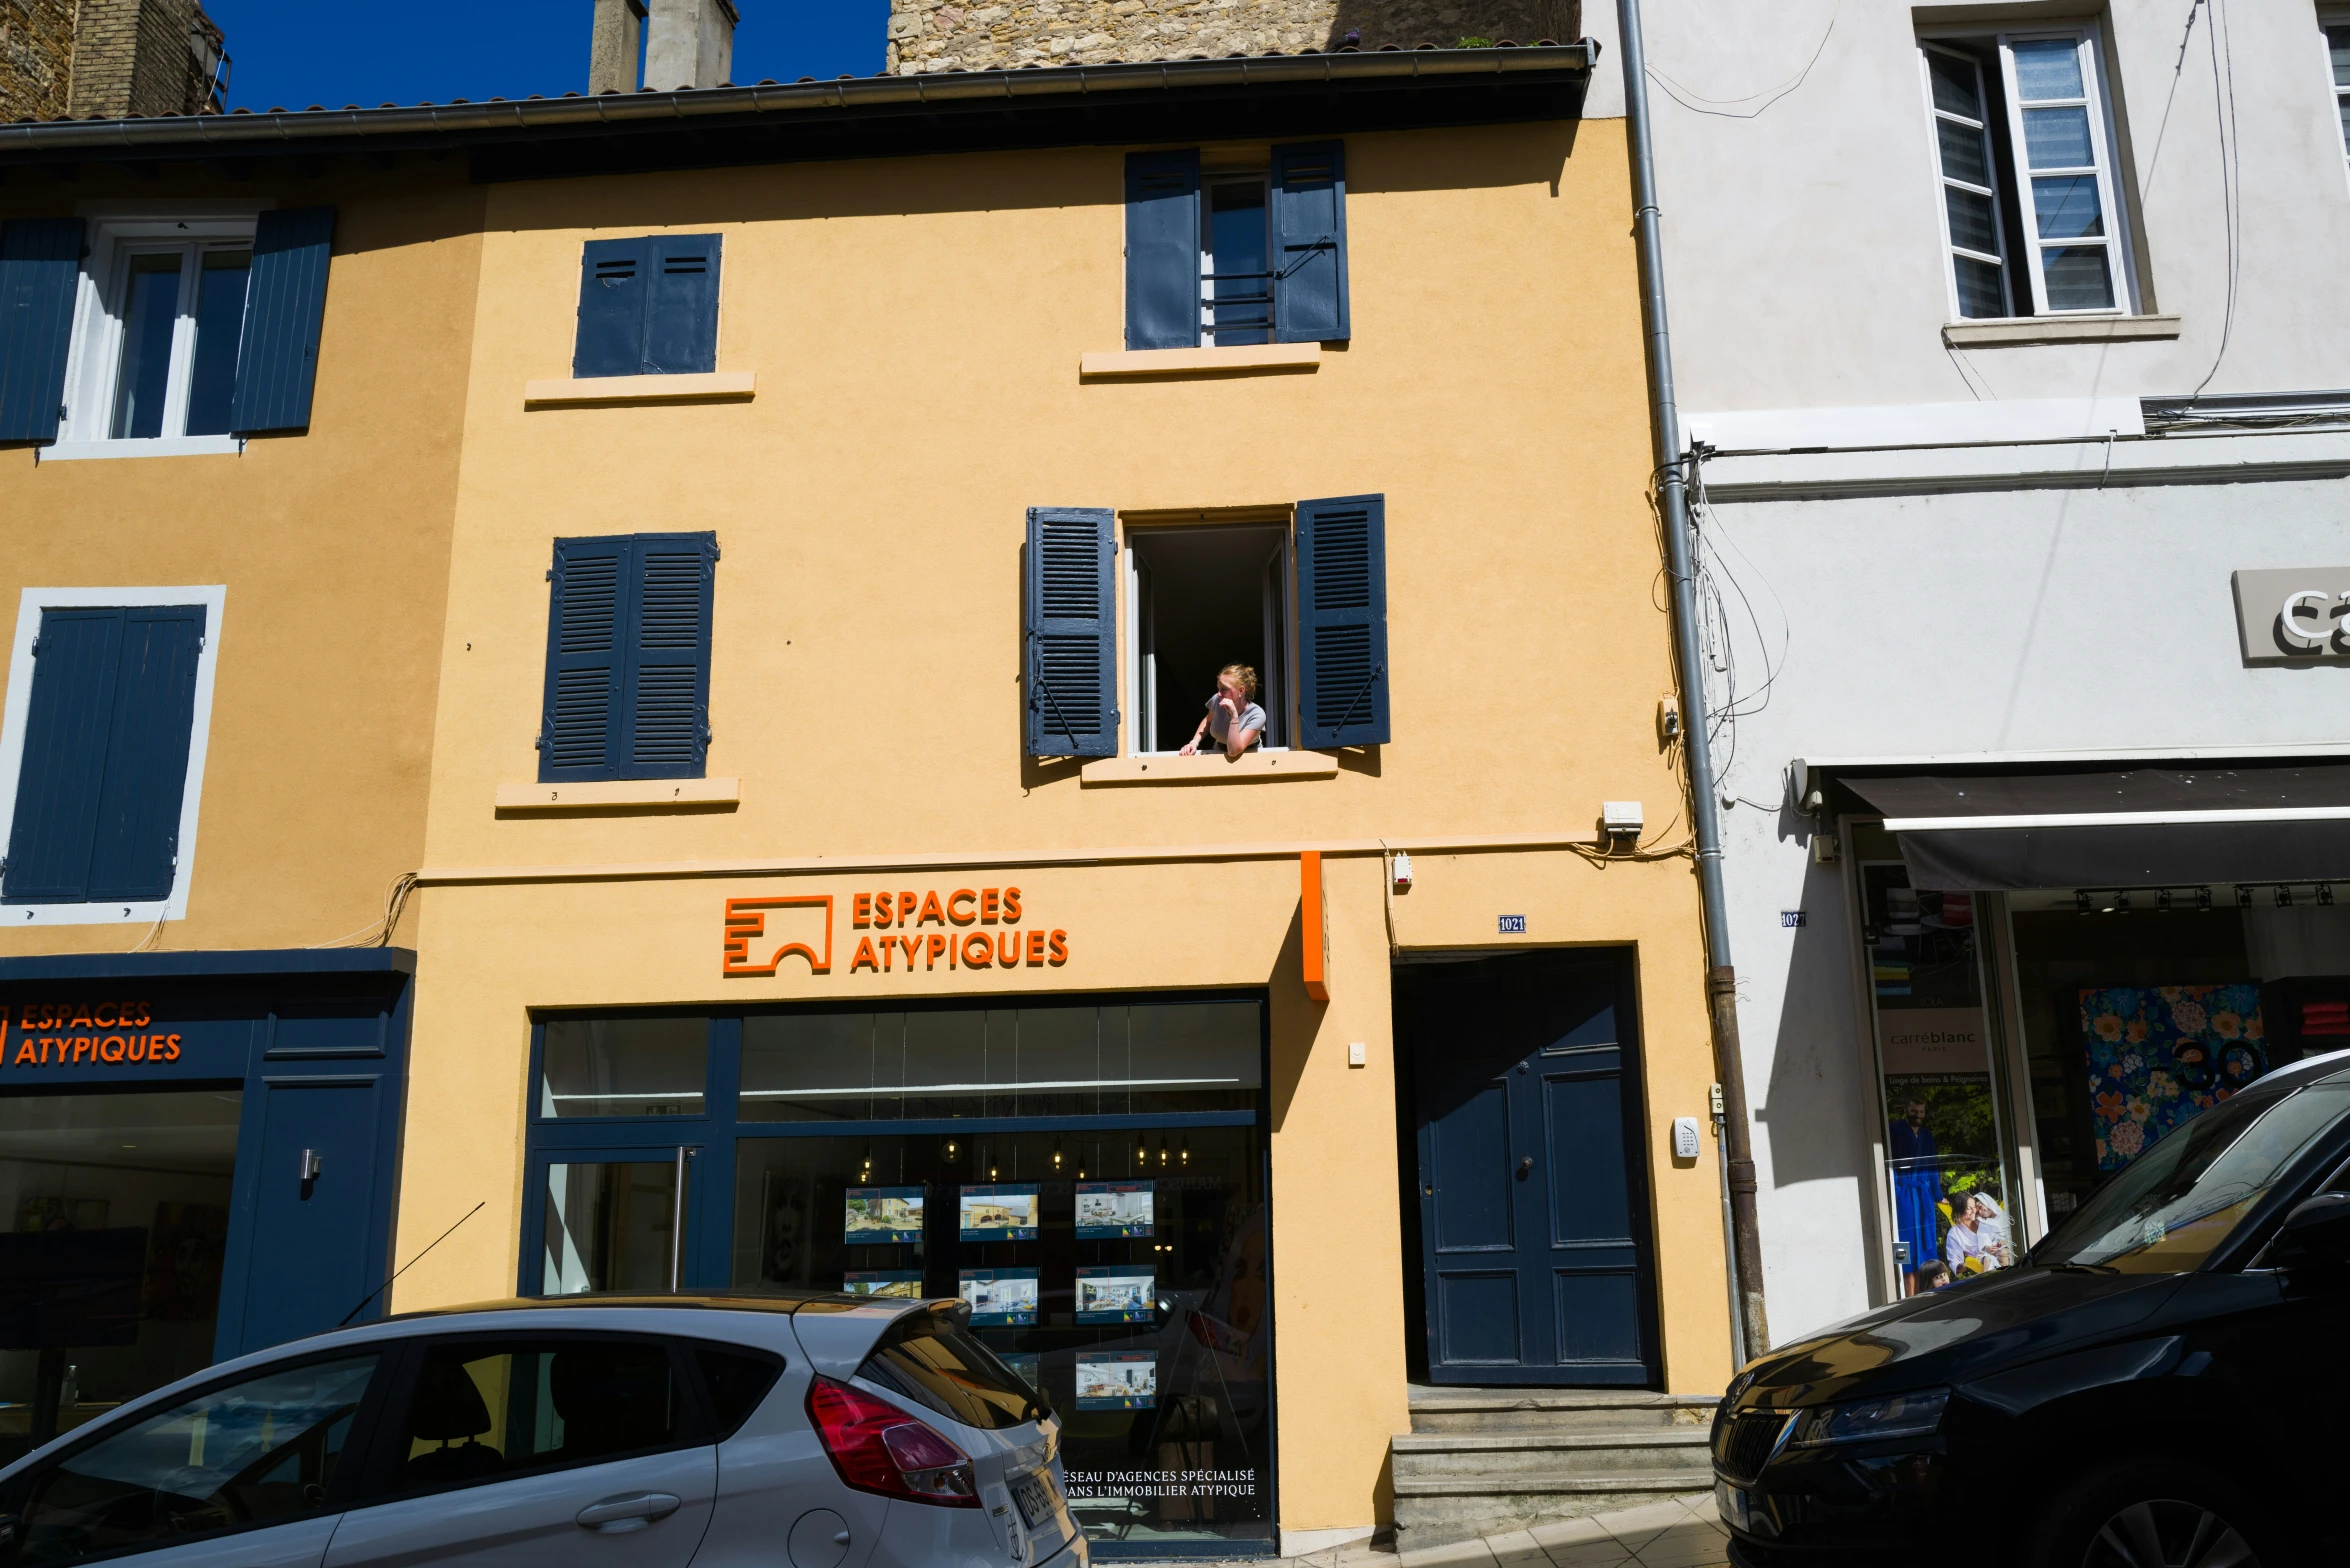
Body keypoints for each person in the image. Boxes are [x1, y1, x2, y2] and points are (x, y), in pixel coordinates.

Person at [1888, 1096, 1943, 1294]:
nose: (1918, 1116)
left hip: (1923, 1197)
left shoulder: (1927, 1135)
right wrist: (1896, 1192)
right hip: (1904, 1198)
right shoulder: (1894, 1130)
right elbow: (1890, 1163)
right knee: (1904, 1244)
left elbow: (1932, 1165)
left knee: (1924, 1250)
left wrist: (1937, 1195)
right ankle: (1905, 1296)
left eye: (1921, 1112)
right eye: (1914, 1111)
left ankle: (1924, 1294)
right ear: (1906, 1109)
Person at [1179, 664, 1266, 759]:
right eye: (1218, 689)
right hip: (1219, 752)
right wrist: (1194, 743)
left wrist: (1234, 716)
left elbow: (1234, 751)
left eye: (1224, 689)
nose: (1219, 694)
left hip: (1250, 758)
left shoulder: (1257, 714)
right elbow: (1208, 721)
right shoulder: (1217, 700)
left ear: (1241, 690)